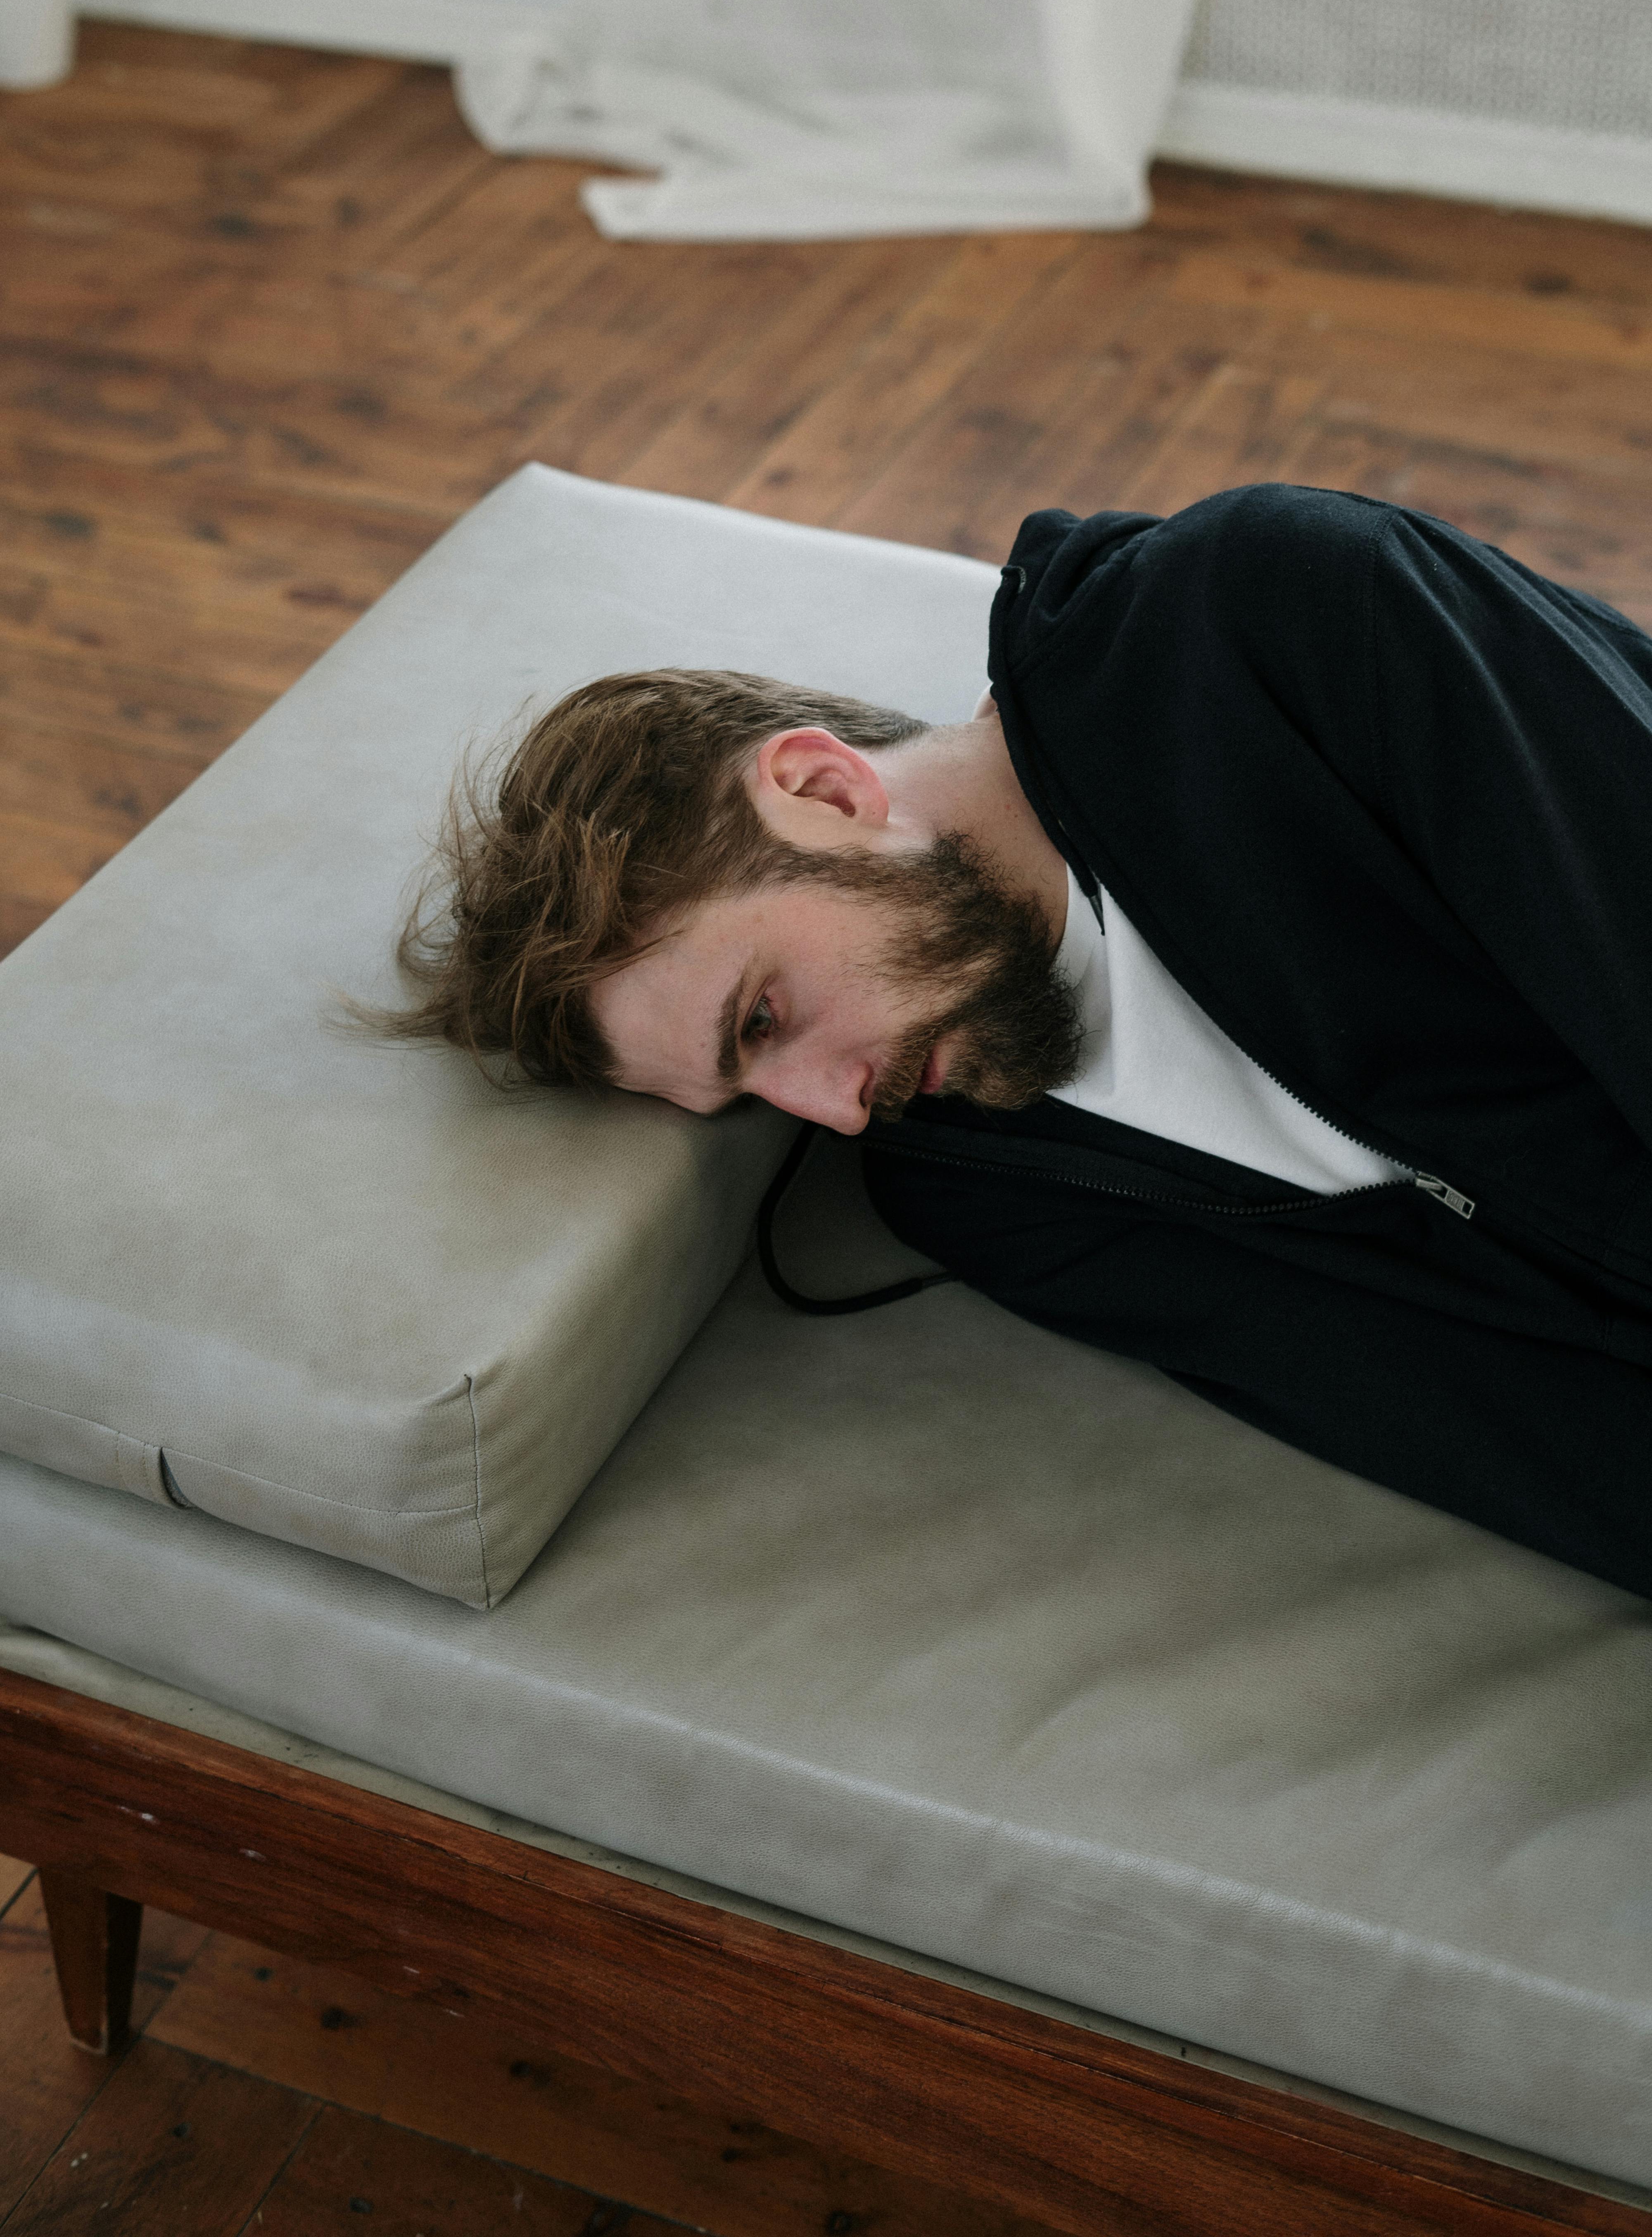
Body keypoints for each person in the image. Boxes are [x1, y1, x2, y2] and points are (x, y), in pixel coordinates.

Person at [383, 483, 1652, 1597]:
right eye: (751, 1093)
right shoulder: (981, 1192)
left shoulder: (1274, 622)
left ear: (826, 792)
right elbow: (1491, 1432)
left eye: (763, 1018)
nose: (830, 1109)